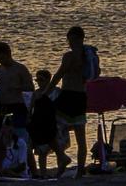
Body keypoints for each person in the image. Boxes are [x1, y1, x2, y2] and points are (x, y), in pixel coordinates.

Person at [56, 26, 93, 172]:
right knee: (79, 137)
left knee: (55, 128)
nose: (69, 43)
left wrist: (46, 91)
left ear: (78, 39)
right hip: (80, 97)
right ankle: (78, 171)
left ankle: (63, 159)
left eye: (71, 40)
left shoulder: (70, 57)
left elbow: (59, 74)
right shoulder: (89, 57)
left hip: (69, 96)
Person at [0, 41, 33, 132]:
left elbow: (31, 87)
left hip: (17, 105)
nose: (1, 61)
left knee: (19, 133)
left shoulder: (20, 68)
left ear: (8, 55)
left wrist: (18, 88)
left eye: (2, 58)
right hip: (2, 106)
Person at [26, 70, 62, 177]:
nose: (39, 82)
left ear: (48, 80)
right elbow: (30, 109)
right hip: (38, 125)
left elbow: (60, 108)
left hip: (52, 124)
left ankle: (60, 170)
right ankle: (42, 173)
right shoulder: (36, 93)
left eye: (41, 80)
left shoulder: (56, 92)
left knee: (57, 148)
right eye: (37, 80)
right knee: (41, 151)